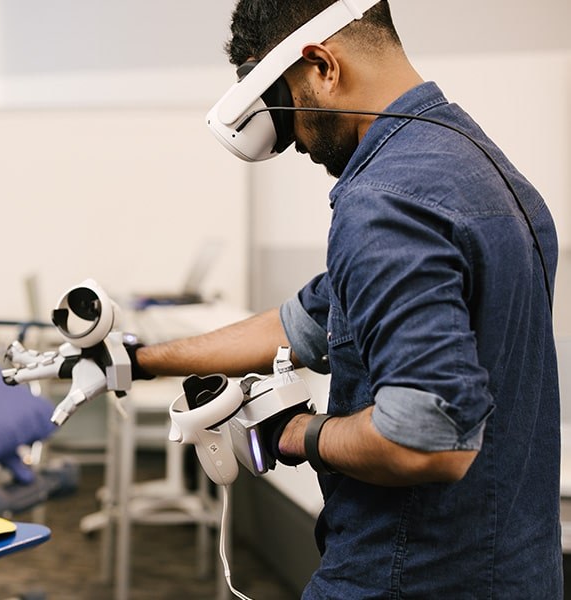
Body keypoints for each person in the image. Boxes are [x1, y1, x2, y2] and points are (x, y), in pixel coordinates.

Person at [131, 1, 561, 597]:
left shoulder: (386, 200)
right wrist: (139, 361)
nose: (298, 144)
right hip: (516, 572)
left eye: (289, 114)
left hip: (409, 575)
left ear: (322, 67)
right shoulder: (485, 167)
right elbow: (302, 324)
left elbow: (425, 441)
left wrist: (293, 432)